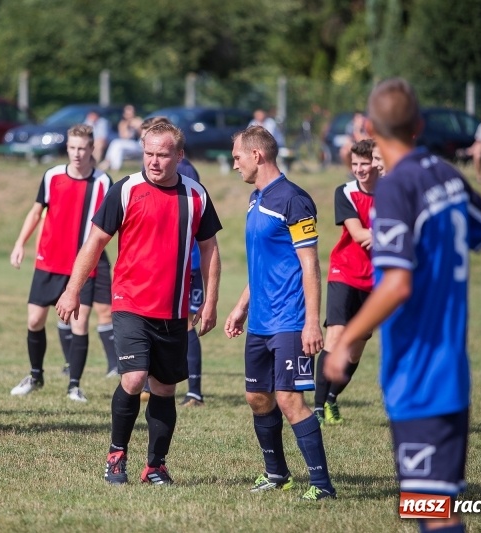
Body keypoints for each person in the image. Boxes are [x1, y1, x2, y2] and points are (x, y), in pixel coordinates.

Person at [324, 78, 481, 533]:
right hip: (453, 373)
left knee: (431, 514)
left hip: (418, 376)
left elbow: (396, 284)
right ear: (418, 125)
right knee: (434, 506)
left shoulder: (396, 190)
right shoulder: (446, 176)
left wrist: (346, 341)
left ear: (373, 128)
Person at [56, 121, 222, 485]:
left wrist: (209, 303)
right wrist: (72, 290)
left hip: (175, 310)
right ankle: (116, 456)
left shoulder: (196, 195)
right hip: (130, 303)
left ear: (179, 155)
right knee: (132, 379)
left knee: (164, 388)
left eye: (163, 155)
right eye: (148, 153)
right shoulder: (125, 190)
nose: (154, 161)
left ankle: (156, 465)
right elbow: (94, 242)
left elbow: (209, 250)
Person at [224, 125, 336, 500]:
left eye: (237, 156)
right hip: (260, 321)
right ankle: (277, 475)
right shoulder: (256, 199)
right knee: (257, 397)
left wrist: (311, 322)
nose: (234, 163)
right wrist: (241, 306)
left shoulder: (293, 200)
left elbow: (310, 266)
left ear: (257, 155)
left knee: (290, 399)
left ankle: (321, 485)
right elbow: (264, 264)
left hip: (290, 320)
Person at [9, 124, 114, 402]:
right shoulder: (52, 175)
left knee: (80, 325)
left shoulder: (104, 182)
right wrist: (20, 243)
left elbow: (114, 227)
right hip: (48, 262)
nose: (77, 154)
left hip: (83, 267)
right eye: (72, 148)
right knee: (34, 320)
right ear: (66, 148)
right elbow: (35, 212)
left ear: (92, 149)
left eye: (82, 148)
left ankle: (74, 385)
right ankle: (35, 374)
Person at [137, 116, 207, 407]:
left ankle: (193, 390)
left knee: (186, 324)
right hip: (166, 263)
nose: (151, 157)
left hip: (185, 263)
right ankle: (153, 382)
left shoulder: (184, 172)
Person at [313, 139, 381, 426]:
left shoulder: (394, 191)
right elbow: (358, 234)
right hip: (344, 272)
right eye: (354, 164)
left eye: (364, 164)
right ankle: (316, 409)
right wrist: (399, 232)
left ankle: (331, 400)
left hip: (377, 279)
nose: (359, 170)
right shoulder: (346, 192)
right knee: (336, 336)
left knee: (356, 347)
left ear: (377, 162)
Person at [101, 104, 143, 171]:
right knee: (117, 147)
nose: (129, 114)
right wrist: (128, 126)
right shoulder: (123, 123)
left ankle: (107, 162)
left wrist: (137, 127)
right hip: (127, 144)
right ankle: (114, 167)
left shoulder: (138, 121)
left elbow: (143, 135)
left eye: (131, 111)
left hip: (138, 145)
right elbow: (124, 137)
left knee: (116, 143)